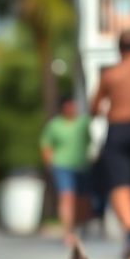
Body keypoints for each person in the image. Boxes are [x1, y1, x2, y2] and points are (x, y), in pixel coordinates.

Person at [89, 29, 130, 259]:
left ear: (119, 49)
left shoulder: (111, 74)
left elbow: (94, 108)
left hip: (119, 129)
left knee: (119, 182)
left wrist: (106, 108)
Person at [40, 96, 91, 247]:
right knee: (67, 196)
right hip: (61, 165)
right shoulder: (55, 125)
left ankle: (79, 226)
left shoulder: (83, 123)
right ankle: (68, 232)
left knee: (82, 199)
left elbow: (88, 141)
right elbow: (46, 145)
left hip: (81, 166)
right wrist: (49, 164)